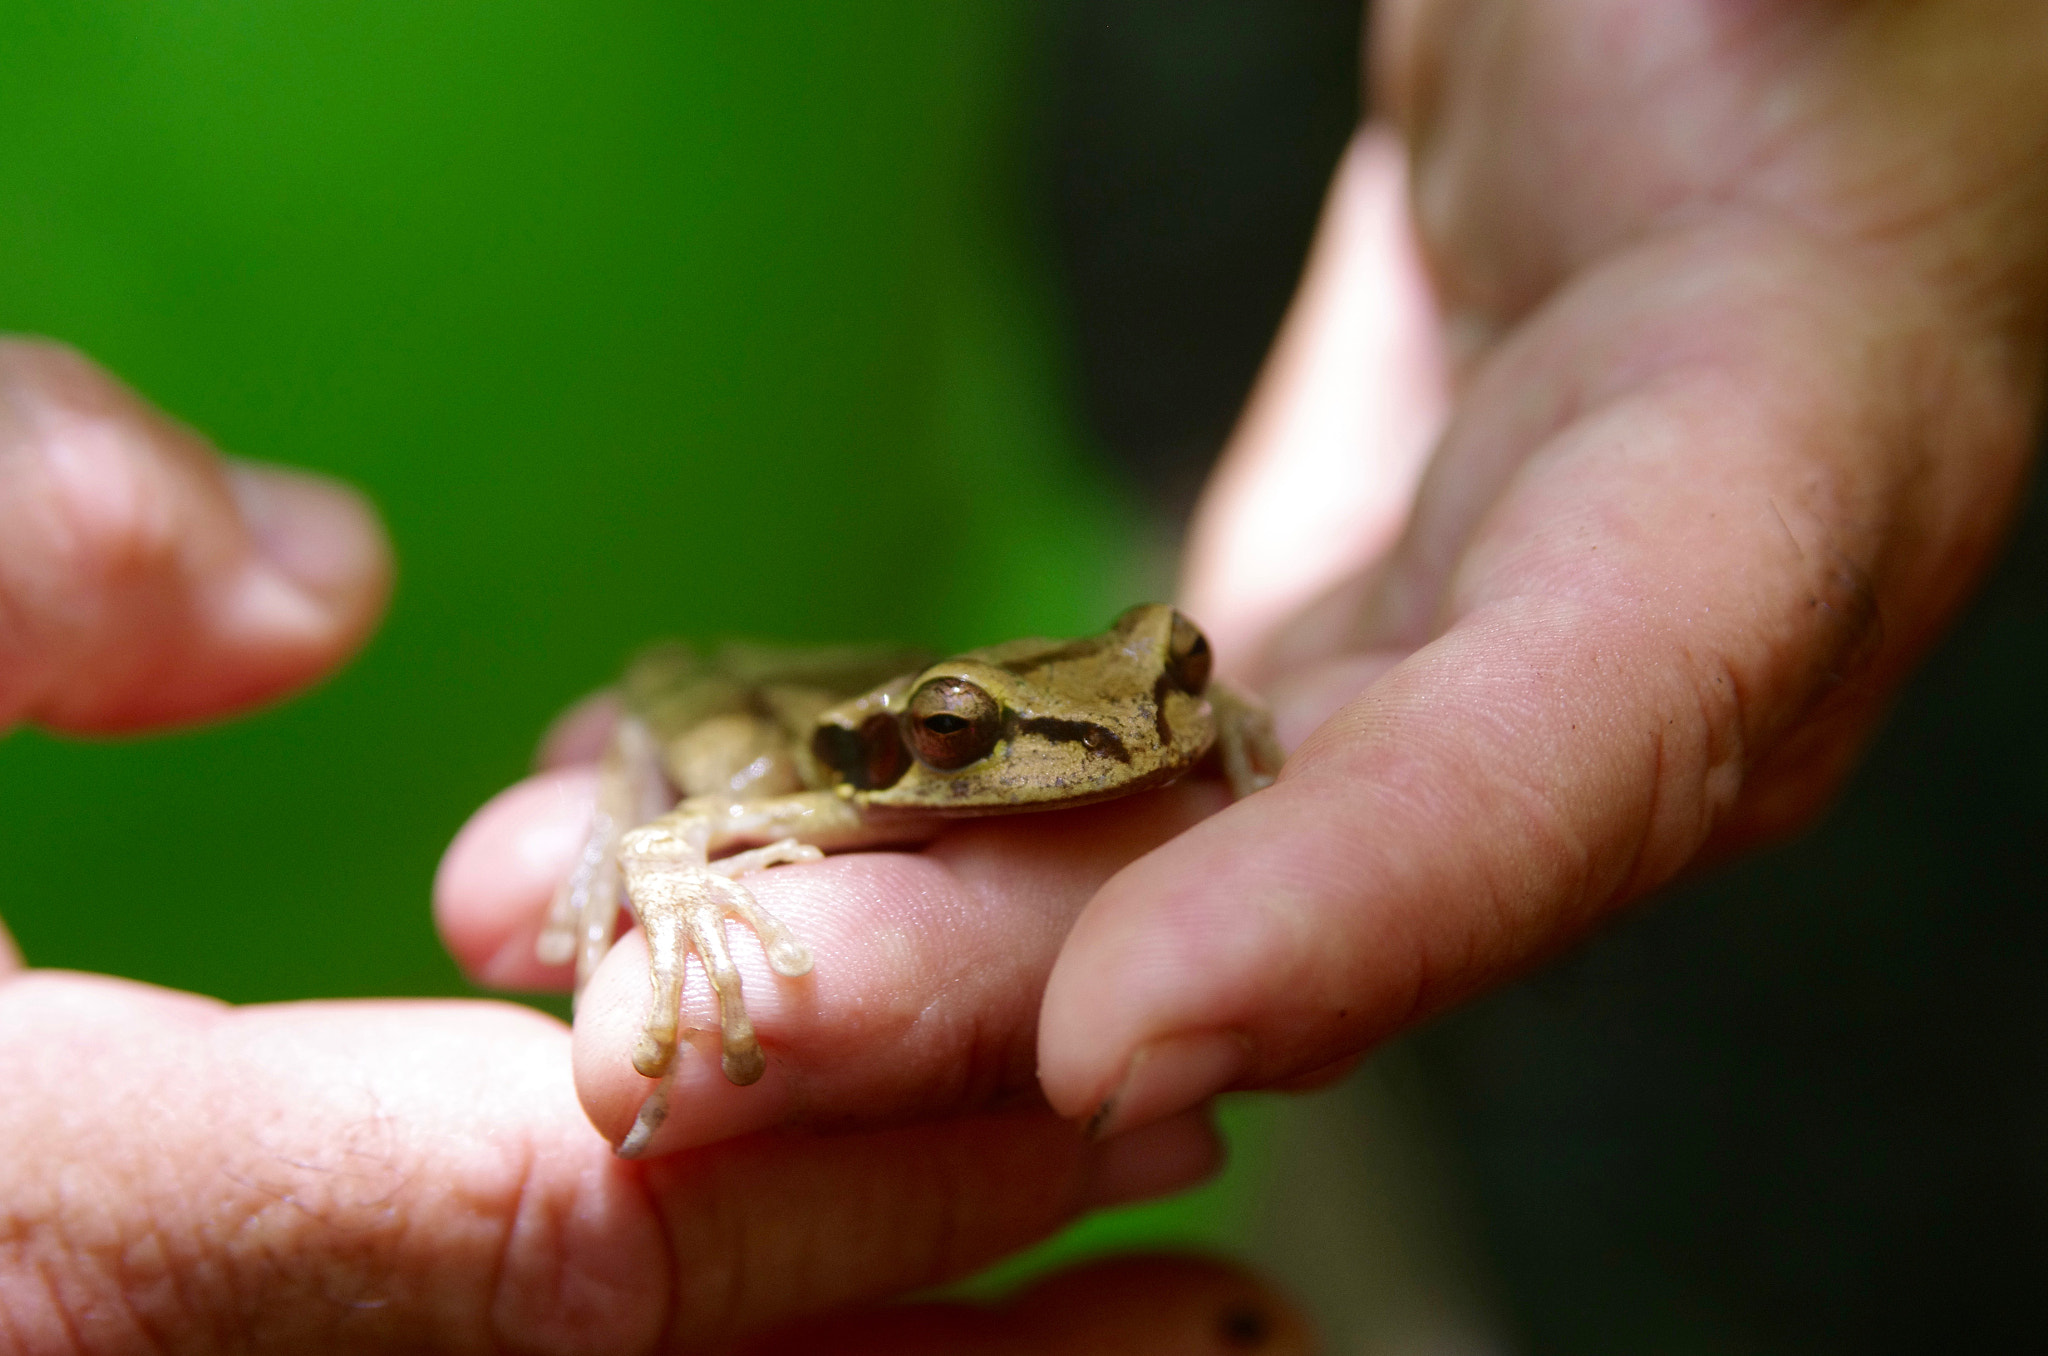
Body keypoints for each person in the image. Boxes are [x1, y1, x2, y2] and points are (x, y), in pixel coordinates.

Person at [6, 0, 2046, 1348]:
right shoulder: (828, 778)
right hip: (625, 785)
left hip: (967, 610)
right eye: (991, 747)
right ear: (925, 754)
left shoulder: (1125, 701)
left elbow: (1148, 699)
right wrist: (680, 881)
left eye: (1174, 686)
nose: (1143, 732)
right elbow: (683, 814)